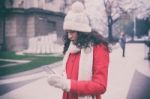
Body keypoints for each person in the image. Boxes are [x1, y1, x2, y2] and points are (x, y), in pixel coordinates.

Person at [47, 1, 110, 99]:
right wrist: (59, 79)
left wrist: (68, 84)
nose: (69, 36)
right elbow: (70, 77)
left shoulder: (99, 48)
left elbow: (101, 86)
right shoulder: (71, 47)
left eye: (72, 32)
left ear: (82, 31)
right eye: (67, 32)